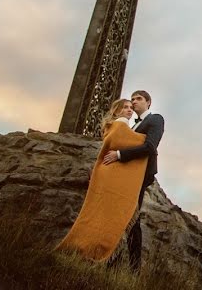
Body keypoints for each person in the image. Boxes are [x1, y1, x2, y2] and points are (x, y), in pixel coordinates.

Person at [56, 99, 148, 262]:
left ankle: (86, 245)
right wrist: (147, 141)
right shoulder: (120, 125)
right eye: (125, 107)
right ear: (117, 111)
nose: (129, 110)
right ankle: (95, 247)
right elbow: (129, 142)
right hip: (111, 174)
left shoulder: (118, 126)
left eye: (130, 108)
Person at [102, 90, 165, 271]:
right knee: (125, 217)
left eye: (138, 99)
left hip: (141, 175)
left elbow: (150, 146)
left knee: (132, 217)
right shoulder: (132, 126)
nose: (134, 102)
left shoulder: (155, 119)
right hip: (127, 175)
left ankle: (133, 268)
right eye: (132, 99)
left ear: (148, 102)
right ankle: (115, 263)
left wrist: (120, 155)